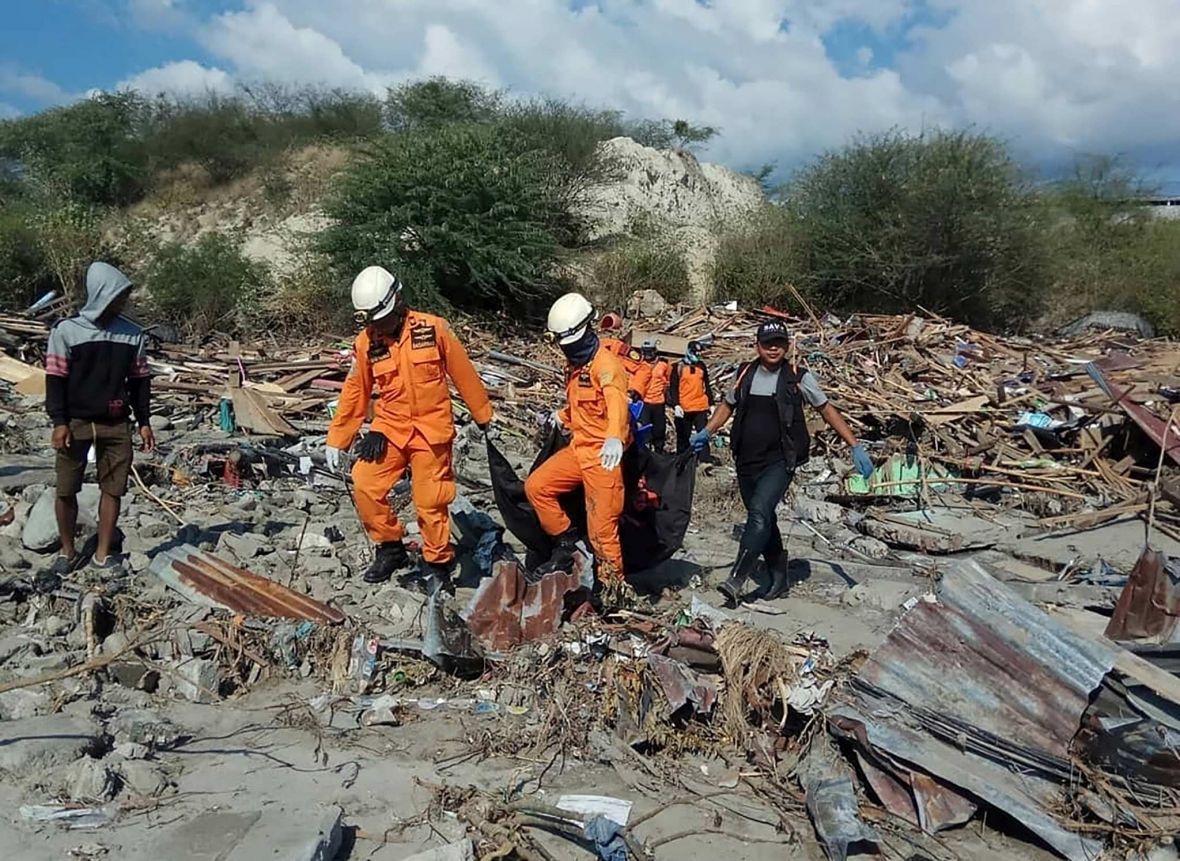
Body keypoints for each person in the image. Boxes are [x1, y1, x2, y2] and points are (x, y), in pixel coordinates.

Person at [325, 266, 493, 588]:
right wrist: (338, 438)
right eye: (373, 322)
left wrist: (483, 415)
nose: (379, 327)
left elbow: (463, 373)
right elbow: (356, 390)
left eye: (383, 319)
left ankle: (438, 564)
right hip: (390, 429)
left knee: (430, 501)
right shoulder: (367, 342)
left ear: (398, 301)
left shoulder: (434, 329)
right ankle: (390, 548)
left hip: (431, 431)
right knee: (365, 482)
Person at [691, 320, 873, 606]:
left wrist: (854, 445)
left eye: (779, 343)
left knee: (759, 514)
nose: (773, 348)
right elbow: (727, 406)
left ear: (787, 346)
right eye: (767, 344)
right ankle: (779, 576)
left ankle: (737, 579)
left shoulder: (798, 377)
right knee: (764, 518)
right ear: (757, 346)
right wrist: (706, 432)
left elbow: (826, 409)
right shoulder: (744, 373)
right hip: (745, 459)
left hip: (780, 460)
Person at [45, 262, 155, 575]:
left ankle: (103, 554)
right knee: (66, 488)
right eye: (119, 295)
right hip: (76, 422)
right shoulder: (66, 331)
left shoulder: (132, 335)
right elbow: (55, 378)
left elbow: (140, 382)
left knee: (114, 489)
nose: (123, 301)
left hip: (116, 422)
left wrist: (144, 421)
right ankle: (68, 551)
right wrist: (59, 422)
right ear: (102, 294)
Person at [525, 293, 631, 599]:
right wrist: (560, 417)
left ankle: (611, 592)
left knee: (602, 531)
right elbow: (581, 407)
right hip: (579, 449)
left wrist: (614, 436)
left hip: (604, 456)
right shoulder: (575, 367)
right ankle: (565, 543)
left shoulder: (606, 366)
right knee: (537, 487)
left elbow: (616, 402)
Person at [668, 340, 714, 456]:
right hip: (684, 408)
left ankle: (704, 460)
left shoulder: (701, 366)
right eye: (695, 352)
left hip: (700, 406)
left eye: (698, 352)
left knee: (703, 434)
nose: (697, 355)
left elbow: (706, 385)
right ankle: (682, 460)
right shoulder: (678, 367)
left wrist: (711, 403)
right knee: (683, 437)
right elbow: (673, 387)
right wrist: (676, 405)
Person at [638, 341, 671, 452]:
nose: (647, 355)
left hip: (658, 402)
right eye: (645, 352)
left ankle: (659, 452)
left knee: (659, 429)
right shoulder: (640, 364)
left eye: (649, 351)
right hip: (644, 402)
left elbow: (668, 380)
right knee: (645, 429)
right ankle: (646, 451)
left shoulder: (664, 364)